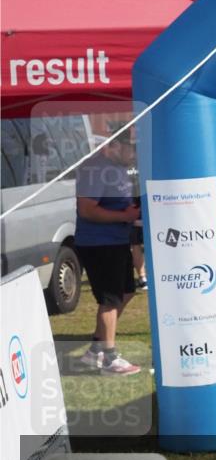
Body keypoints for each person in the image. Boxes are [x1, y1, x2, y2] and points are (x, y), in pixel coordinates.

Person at [75, 136, 143, 376]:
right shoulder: (95, 168)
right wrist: (123, 217)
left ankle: (96, 350)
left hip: (116, 240)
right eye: (131, 149)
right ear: (114, 146)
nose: (134, 154)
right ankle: (109, 358)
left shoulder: (118, 168)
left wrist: (129, 212)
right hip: (99, 244)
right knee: (110, 300)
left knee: (126, 293)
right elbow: (87, 210)